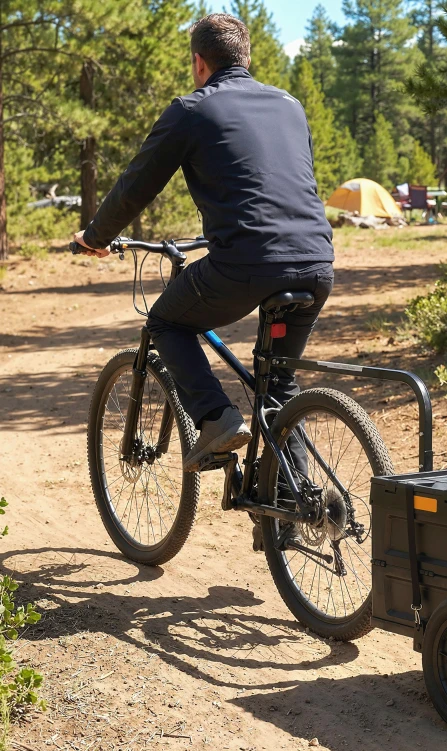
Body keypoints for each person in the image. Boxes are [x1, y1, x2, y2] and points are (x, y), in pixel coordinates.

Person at [72, 13, 335, 473]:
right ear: (246, 58)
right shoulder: (290, 104)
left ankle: (216, 418)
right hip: (317, 261)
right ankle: (294, 516)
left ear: (199, 62)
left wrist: (96, 237)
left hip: (247, 263)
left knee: (166, 322)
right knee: (278, 387)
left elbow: (136, 185)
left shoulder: (192, 109)